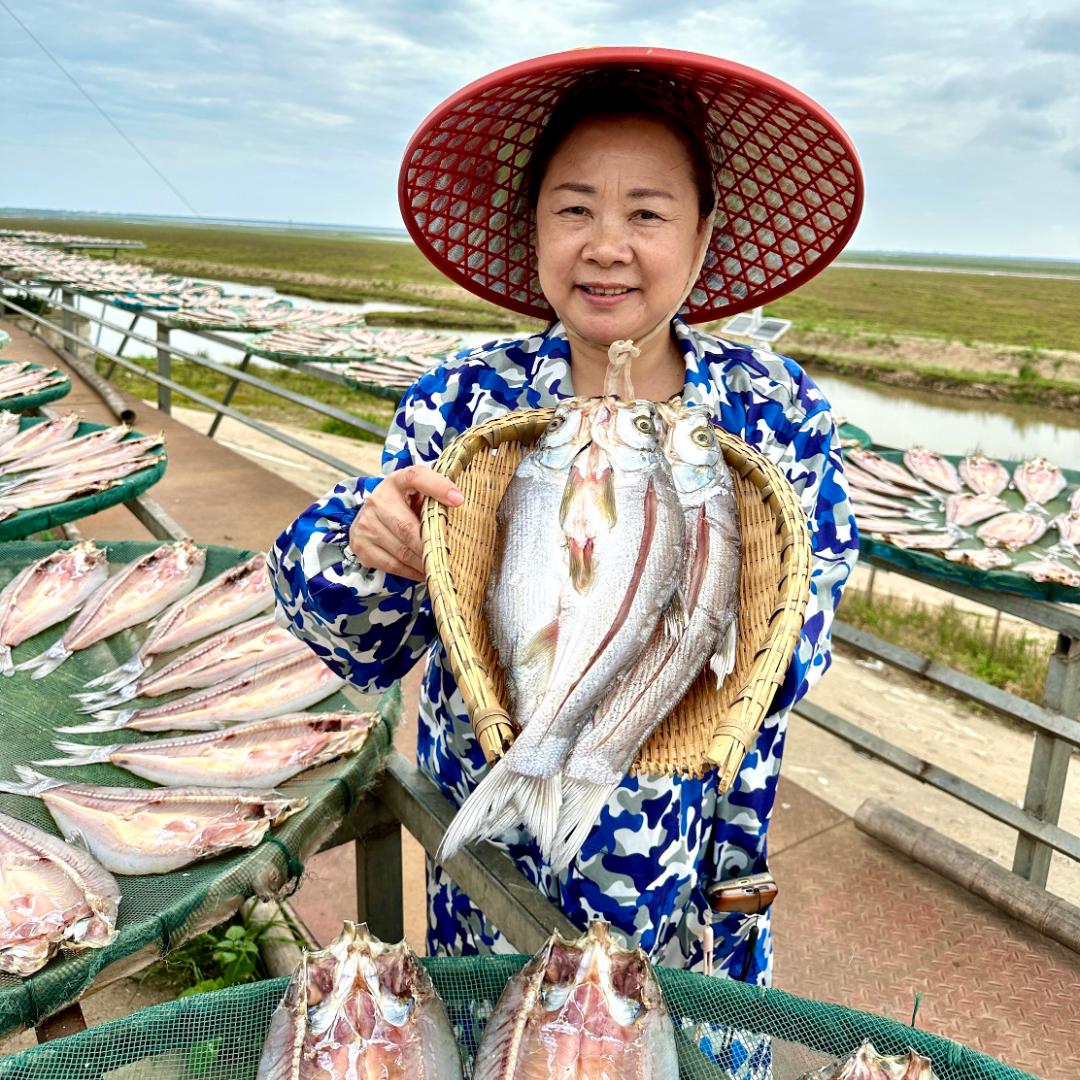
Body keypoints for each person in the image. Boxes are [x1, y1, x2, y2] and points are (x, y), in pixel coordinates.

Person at [268, 47, 862, 986]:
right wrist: (364, 542)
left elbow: (798, 652)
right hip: (495, 887)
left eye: (648, 214)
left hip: (696, 900)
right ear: (534, 228)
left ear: (704, 238)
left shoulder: (779, 411)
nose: (607, 244)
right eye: (574, 208)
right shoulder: (463, 403)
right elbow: (360, 649)